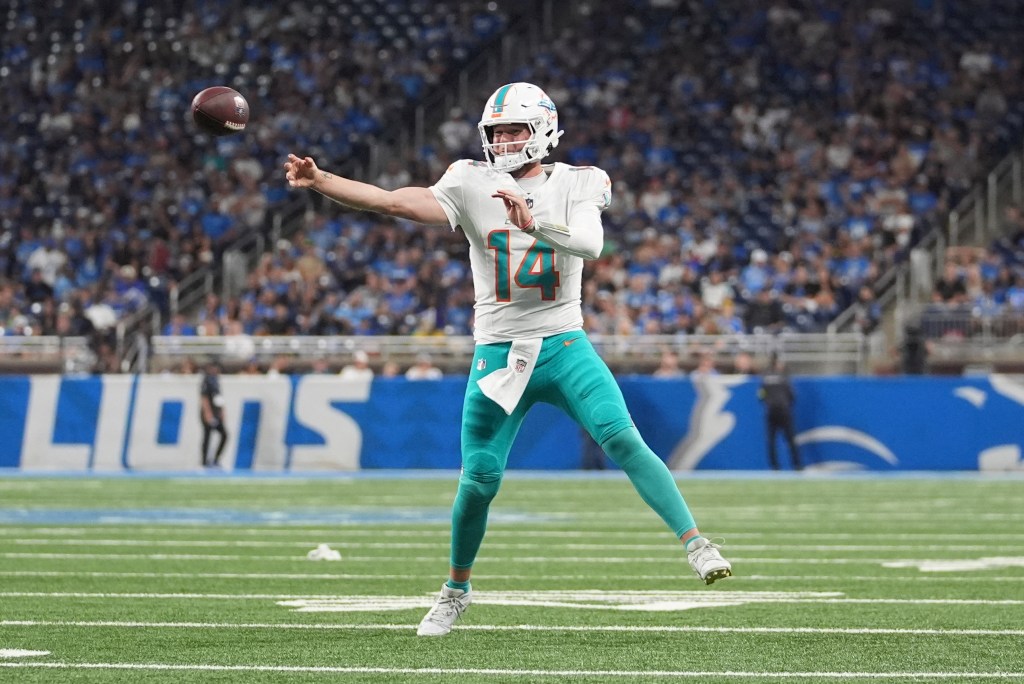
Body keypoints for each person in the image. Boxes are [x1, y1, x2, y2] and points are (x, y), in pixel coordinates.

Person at [283, 81, 732, 637]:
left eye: (515, 129)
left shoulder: (579, 181)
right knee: (479, 478)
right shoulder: (470, 179)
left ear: (543, 129)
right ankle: (454, 590)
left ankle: (696, 544)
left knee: (620, 436)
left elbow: (591, 244)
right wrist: (321, 181)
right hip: (498, 352)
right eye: (496, 132)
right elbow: (396, 200)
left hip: (564, 344)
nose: (504, 140)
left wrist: (533, 223)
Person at [758, 356, 803, 471]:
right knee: (790, 439)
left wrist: (767, 402)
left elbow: (760, 395)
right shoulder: (784, 377)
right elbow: (792, 395)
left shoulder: (765, 378)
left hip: (771, 411)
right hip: (784, 411)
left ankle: (774, 466)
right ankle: (797, 465)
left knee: (771, 441)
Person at [199, 361, 228, 468]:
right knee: (207, 436)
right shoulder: (206, 380)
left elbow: (219, 398)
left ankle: (215, 459)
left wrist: (222, 411)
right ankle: (204, 461)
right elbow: (204, 398)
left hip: (216, 412)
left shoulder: (216, 380)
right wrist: (208, 413)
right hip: (209, 413)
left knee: (224, 435)